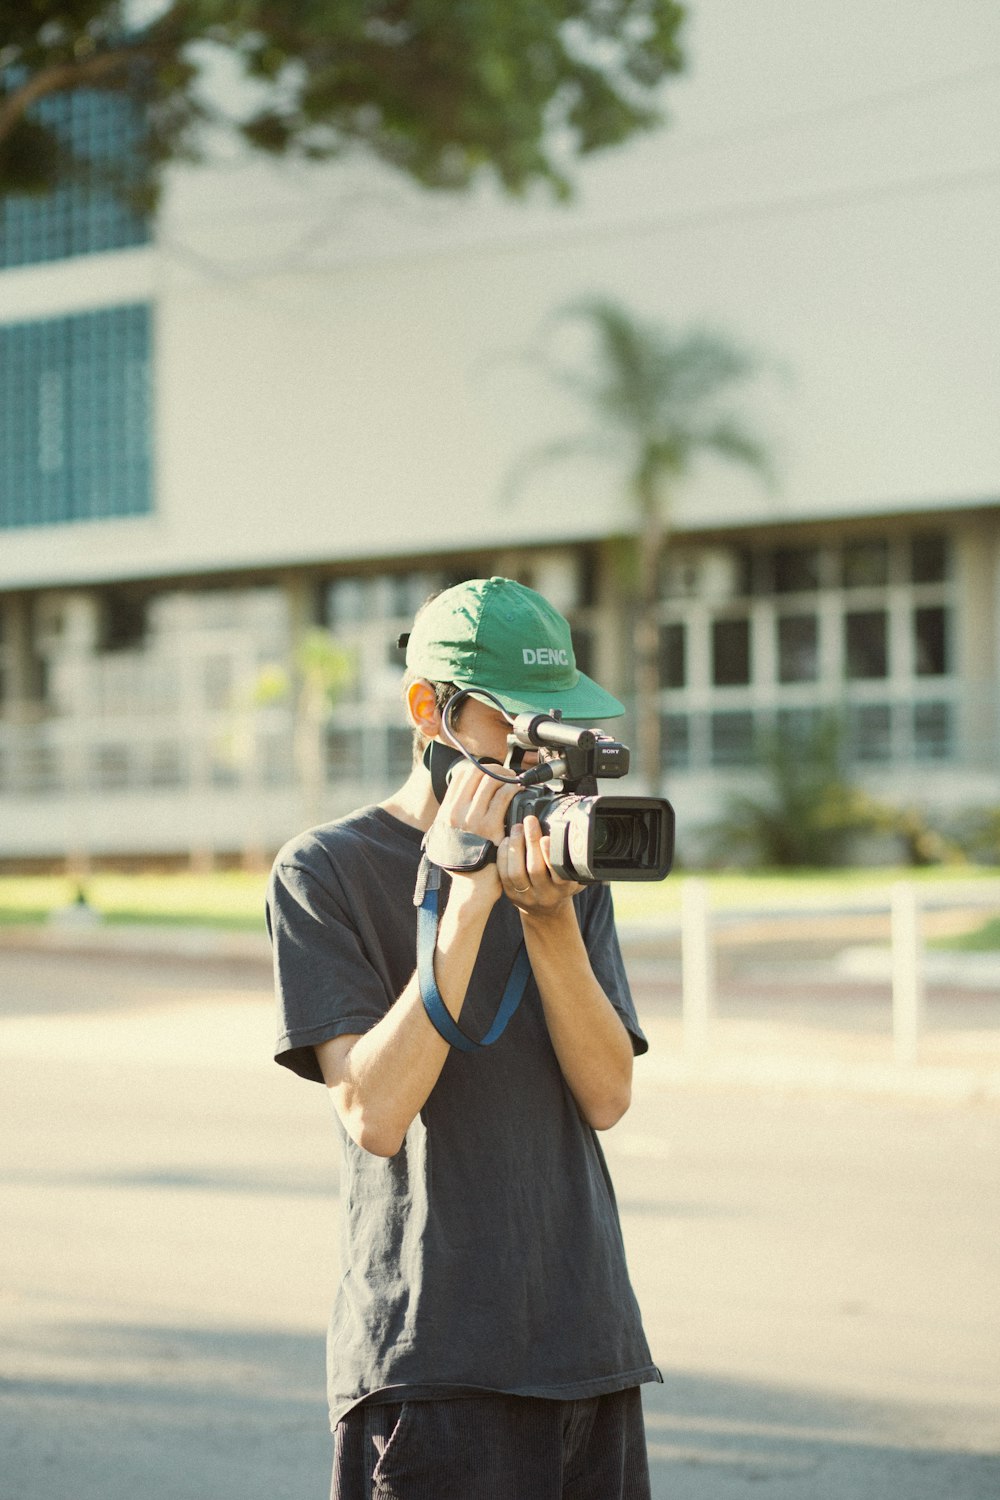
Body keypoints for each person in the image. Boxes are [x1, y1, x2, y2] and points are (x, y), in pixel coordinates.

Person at [267, 576, 660, 1499]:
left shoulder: (567, 863)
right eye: (511, 723)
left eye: (551, 722)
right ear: (427, 710)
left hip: (589, 1344)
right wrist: (461, 901)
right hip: (431, 1361)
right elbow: (372, 1110)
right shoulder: (323, 871)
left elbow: (607, 1096)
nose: (535, 751)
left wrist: (550, 919)